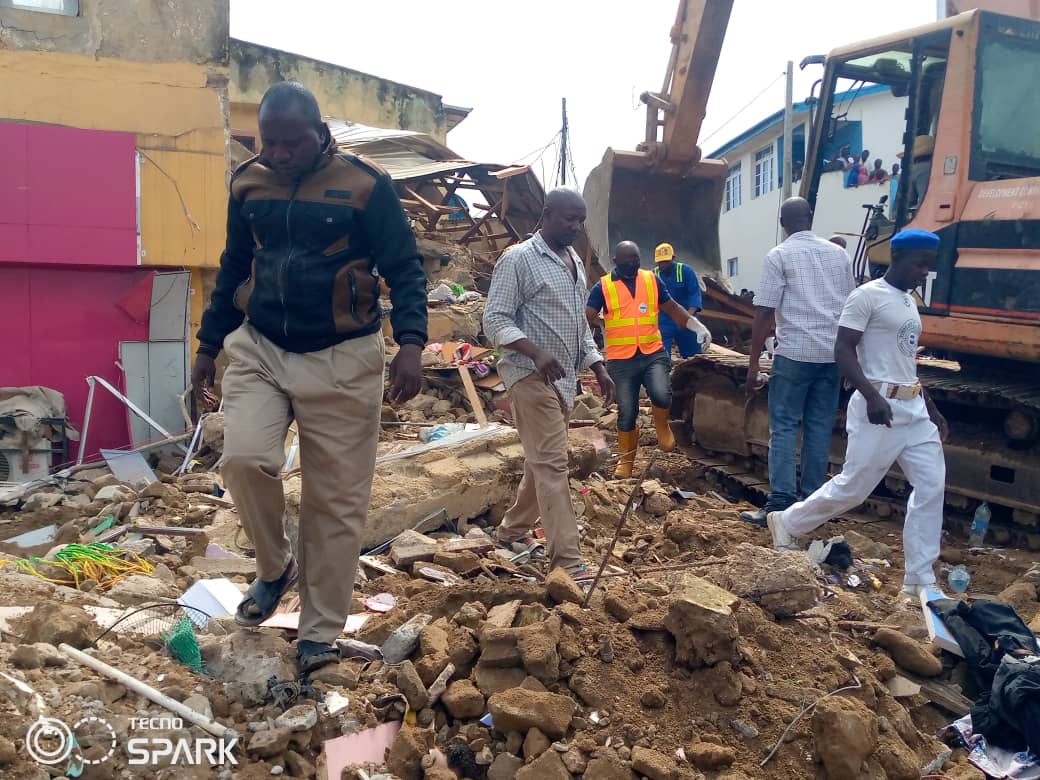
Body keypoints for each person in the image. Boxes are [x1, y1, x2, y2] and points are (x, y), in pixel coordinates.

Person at [191, 82, 428, 676]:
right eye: (268, 141)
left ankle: (318, 633)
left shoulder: (366, 185)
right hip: (262, 347)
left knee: (335, 503)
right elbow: (233, 266)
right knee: (244, 459)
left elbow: (404, 266)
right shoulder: (249, 182)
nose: (279, 153)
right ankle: (275, 568)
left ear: (318, 132)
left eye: (291, 143)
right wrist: (206, 347)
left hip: (344, 357)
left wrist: (413, 345)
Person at [767, 228, 948, 598]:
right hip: (879, 406)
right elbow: (844, 351)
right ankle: (786, 521)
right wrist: (871, 397)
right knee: (854, 488)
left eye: (928, 266)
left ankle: (919, 579)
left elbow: (905, 361)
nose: (924, 273)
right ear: (896, 259)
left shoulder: (908, 301)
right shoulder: (865, 297)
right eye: (919, 264)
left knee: (931, 486)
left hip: (913, 408)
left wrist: (931, 408)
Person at [483, 188, 616, 582]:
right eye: (567, 219)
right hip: (528, 376)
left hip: (565, 383)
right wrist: (536, 352)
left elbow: (579, 326)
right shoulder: (519, 260)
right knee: (553, 465)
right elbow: (495, 320)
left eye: (580, 221)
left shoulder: (574, 260)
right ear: (546, 215)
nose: (575, 227)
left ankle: (511, 531)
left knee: (540, 460)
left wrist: (598, 364)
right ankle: (568, 563)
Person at [739, 197, 855, 526]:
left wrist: (752, 364)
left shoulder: (779, 256)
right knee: (818, 426)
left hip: (795, 354)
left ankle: (779, 504)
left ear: (782, 222)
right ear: (810, 217)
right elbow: (852, 306)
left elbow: (763, 312)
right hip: (832, 355)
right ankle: (813, 504)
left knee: (785, 427)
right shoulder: (839, 255)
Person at [586, 241, 712, 477]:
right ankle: (626, 462)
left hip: (651, 351)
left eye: (635, 260)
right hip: (621, 360)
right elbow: (586, 316)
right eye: (627, 262)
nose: (632, 265)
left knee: (661, 392)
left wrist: (697, 326)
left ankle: (662, 426)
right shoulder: (603, 286)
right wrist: (594, 335)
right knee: (627, 411)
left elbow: (673, 308)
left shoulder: (651, 280)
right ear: (616, 262)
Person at [652, 242, 704, 365]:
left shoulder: (686, 271)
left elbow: (694, 294)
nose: (663, 265)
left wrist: (687, 318)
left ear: (673, 258)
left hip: (686, 318)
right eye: (660, 262)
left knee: (693, 357)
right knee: (661, 356)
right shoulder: (653, 275)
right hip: (664, 321)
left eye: (666, 261)